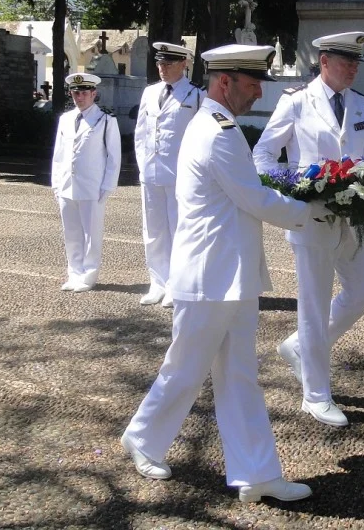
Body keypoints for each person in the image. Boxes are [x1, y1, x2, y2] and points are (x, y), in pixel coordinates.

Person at [121, 44, 320, 503]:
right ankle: (144, 436)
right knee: (186, 368)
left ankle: (257, 474)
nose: (257, 94)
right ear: (224, 82)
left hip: (228, 275)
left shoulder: (218, 125)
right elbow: (254, 198)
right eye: (252, 85)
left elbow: (246, 196)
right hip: (211, 276)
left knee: (238, 375)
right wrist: (314, 211)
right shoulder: (217, 131)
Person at [252, 31, 364, 428]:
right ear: (324, 61)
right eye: (346, 61)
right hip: (312, 219)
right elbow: (263, 155)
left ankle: (298, 348)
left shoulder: (363, 105)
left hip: (356, 217)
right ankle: (316, 395)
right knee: (312, 306)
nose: (353, 69)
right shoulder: (296, 102)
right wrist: (292, 191)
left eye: (357, 62)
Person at [134, 42, 204, 306]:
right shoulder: (150, 93)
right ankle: (157, 282)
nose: (162, 69)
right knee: (153, 231)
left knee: (179, 230)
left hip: (180, 175)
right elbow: (141, 132)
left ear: (183, 64)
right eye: (160, 64)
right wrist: (142, 164)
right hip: (151, 172)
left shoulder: (196, 95)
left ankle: (177, 284)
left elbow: (200, 136)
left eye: (168, 64)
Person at [51, 73, 122, 292]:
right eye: (75, 93)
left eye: (84, 93)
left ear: (94, 94)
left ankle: (89, 275)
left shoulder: (105, 120)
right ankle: (74, 273)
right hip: (66, 184)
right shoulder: (65, 119)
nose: (79, 97)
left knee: (91, 233)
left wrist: (107, 185)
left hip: (93, 185)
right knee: (71, 232)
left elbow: (114, 156)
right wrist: (55, 183)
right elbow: (59, 154)